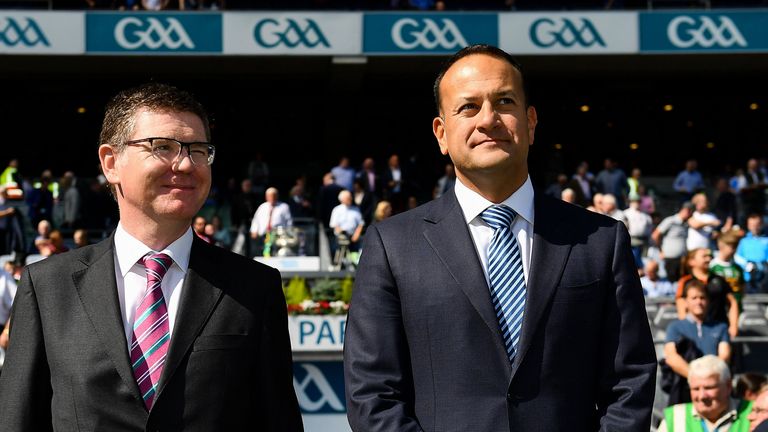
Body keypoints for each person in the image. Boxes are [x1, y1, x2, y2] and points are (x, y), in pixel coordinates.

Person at [344, 44, 656, 432]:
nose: (488, 119)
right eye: (468, 107)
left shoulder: (601, 241)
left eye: (504, 101)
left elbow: (630, 382)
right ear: (441, 133)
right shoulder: (391, 245)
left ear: (531, 122)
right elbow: (373, 394)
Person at [0, 83, 302, 430]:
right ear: (111, 163)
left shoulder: (254, 287)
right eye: (163, 147)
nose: (186, 164)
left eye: (199, 150)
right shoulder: (47, 287)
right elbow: (16, 420)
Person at [658, 355, 753, 432]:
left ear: (728, 386)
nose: (702, 396)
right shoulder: (675, 416)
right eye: (695, 389)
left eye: (709, 388)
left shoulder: (754, 412)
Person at [653, 201, 694, 283]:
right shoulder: (670, 221)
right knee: (670, 281)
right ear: (686, 210)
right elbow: (655, 235)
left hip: (681, 259)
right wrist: (660, 251)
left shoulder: (686, 224)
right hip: (670, 258)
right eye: (690, 212)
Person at [736, 213, 768, 294]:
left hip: (764, 276)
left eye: (757, 224)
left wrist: (763, 265)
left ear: (761, 224)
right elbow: (737, 256)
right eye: (752, 225)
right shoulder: (744, 241)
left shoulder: (766, 240)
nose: (755, 227)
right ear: (748, 226)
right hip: (748, 276)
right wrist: (746, 265)